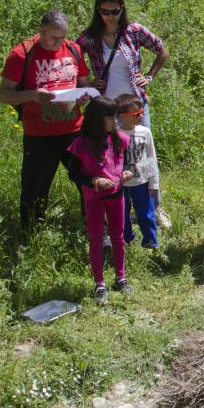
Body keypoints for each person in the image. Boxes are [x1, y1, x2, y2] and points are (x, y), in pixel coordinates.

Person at [77, 0, 171, 227]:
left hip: (134, 105)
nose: (110, 16)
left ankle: (155, 206)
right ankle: (119, 209)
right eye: (105, 11)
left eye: (115, 11)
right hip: (107, 108)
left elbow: (162, 50)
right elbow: (72, 58)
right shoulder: (89, 37)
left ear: (122, 10)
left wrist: (149, 77)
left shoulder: (134, 31)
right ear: (98, 11)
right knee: (111, 157)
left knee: (143, 155)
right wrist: (87, 83)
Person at [0, 9, 92, 233]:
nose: (59, 42)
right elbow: (3, 95)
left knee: (89, 181)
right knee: (35, 189)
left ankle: (95, 228)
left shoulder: (73, 50)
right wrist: (31, 95)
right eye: (53, 37)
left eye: (62, 37)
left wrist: (85, 95)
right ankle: (31, 235)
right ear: (41, 31)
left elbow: (84, 84)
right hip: (39, 134)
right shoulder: (22, 54)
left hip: (74, 131)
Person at [65, 96, 132, 305]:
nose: (115, 122)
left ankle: (121, 277)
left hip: (117, 195)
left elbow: (128, 163)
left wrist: (128, 172)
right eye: (111, 118)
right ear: (97, 119)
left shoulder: (120, 139)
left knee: (118, 237)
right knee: (95, 238)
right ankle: (100, 283)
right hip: (94, 198)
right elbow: (73, 174)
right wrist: (94, 180)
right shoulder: (80, 144)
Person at [115, 94, 159, 249]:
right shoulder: (115, 134)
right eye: (136, 114)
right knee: (122, 215)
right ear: (122, 116)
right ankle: (126, 241)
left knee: (146, 214)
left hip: (142, 182)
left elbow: (151, 158)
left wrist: (154, 184)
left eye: (141, 112)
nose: (141, 116)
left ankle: (151, 243)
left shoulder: (145, 132)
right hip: (121, 184)